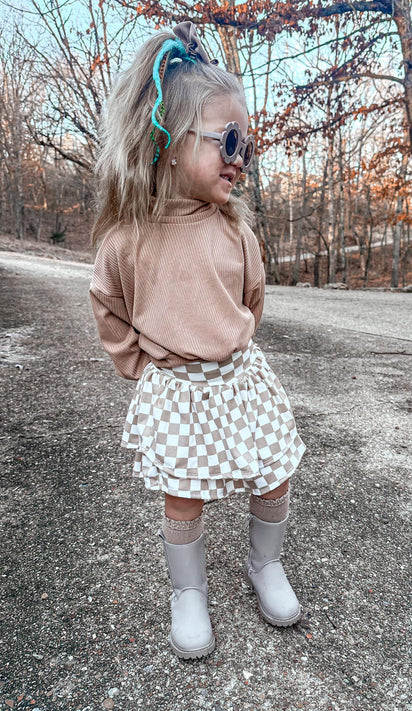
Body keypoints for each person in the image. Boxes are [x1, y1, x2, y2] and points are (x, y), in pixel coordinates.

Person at [89, 22, 306, 659]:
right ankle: (188, 591)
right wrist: (140, 364)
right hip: (178, 390)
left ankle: (265, 563)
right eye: (227, 140)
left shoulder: (236, 232)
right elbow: (108, 304)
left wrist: (234, 345)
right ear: (169, 139)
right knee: (183, 497)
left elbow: (252, 300)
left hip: (241, 381)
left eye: (248, 145)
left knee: (273, 476)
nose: (240, 157)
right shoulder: (128, 238)